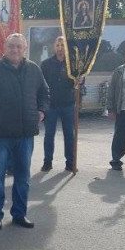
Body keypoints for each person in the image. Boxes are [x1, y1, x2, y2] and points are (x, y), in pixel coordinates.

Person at [0, 33, 49, 229]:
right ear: (4, 48)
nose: (15, 50)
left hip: (25, 135)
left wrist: (42, 110)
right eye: (11, 46)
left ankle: (19, 214)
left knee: (23, 178)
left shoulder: (34, 69)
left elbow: (44, 92)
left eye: (18, 46)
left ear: (25, 49)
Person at [40, 36, 81, 172]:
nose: (60, 48)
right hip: (51, 105)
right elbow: (41, 84)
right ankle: (47, 162)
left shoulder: (73, 64)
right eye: (58, 45)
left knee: (69, 135)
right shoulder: (46, 64)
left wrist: (80, 80)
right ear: (54, 47)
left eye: (62, 45)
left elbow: (79, 83)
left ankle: (70, 163)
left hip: (68, 104)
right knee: (49, 135)